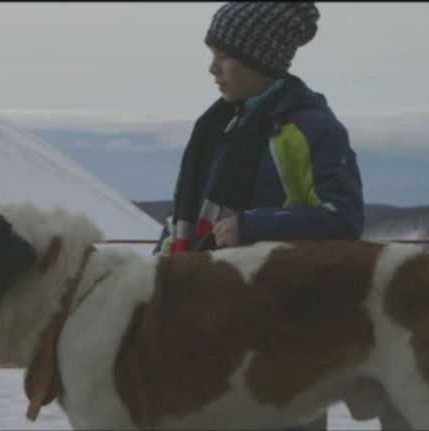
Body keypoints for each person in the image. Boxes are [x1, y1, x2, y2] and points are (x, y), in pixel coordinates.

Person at [153, 3, 364, 429]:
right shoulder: (216, 126)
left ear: (260, 58)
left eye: (224, 56)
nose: (212, 68)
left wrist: (252, 227)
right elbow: (186, 214)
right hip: (210, 328)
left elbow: (342, 220)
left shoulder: (310, 128)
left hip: (284, 335)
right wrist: (154, 275)